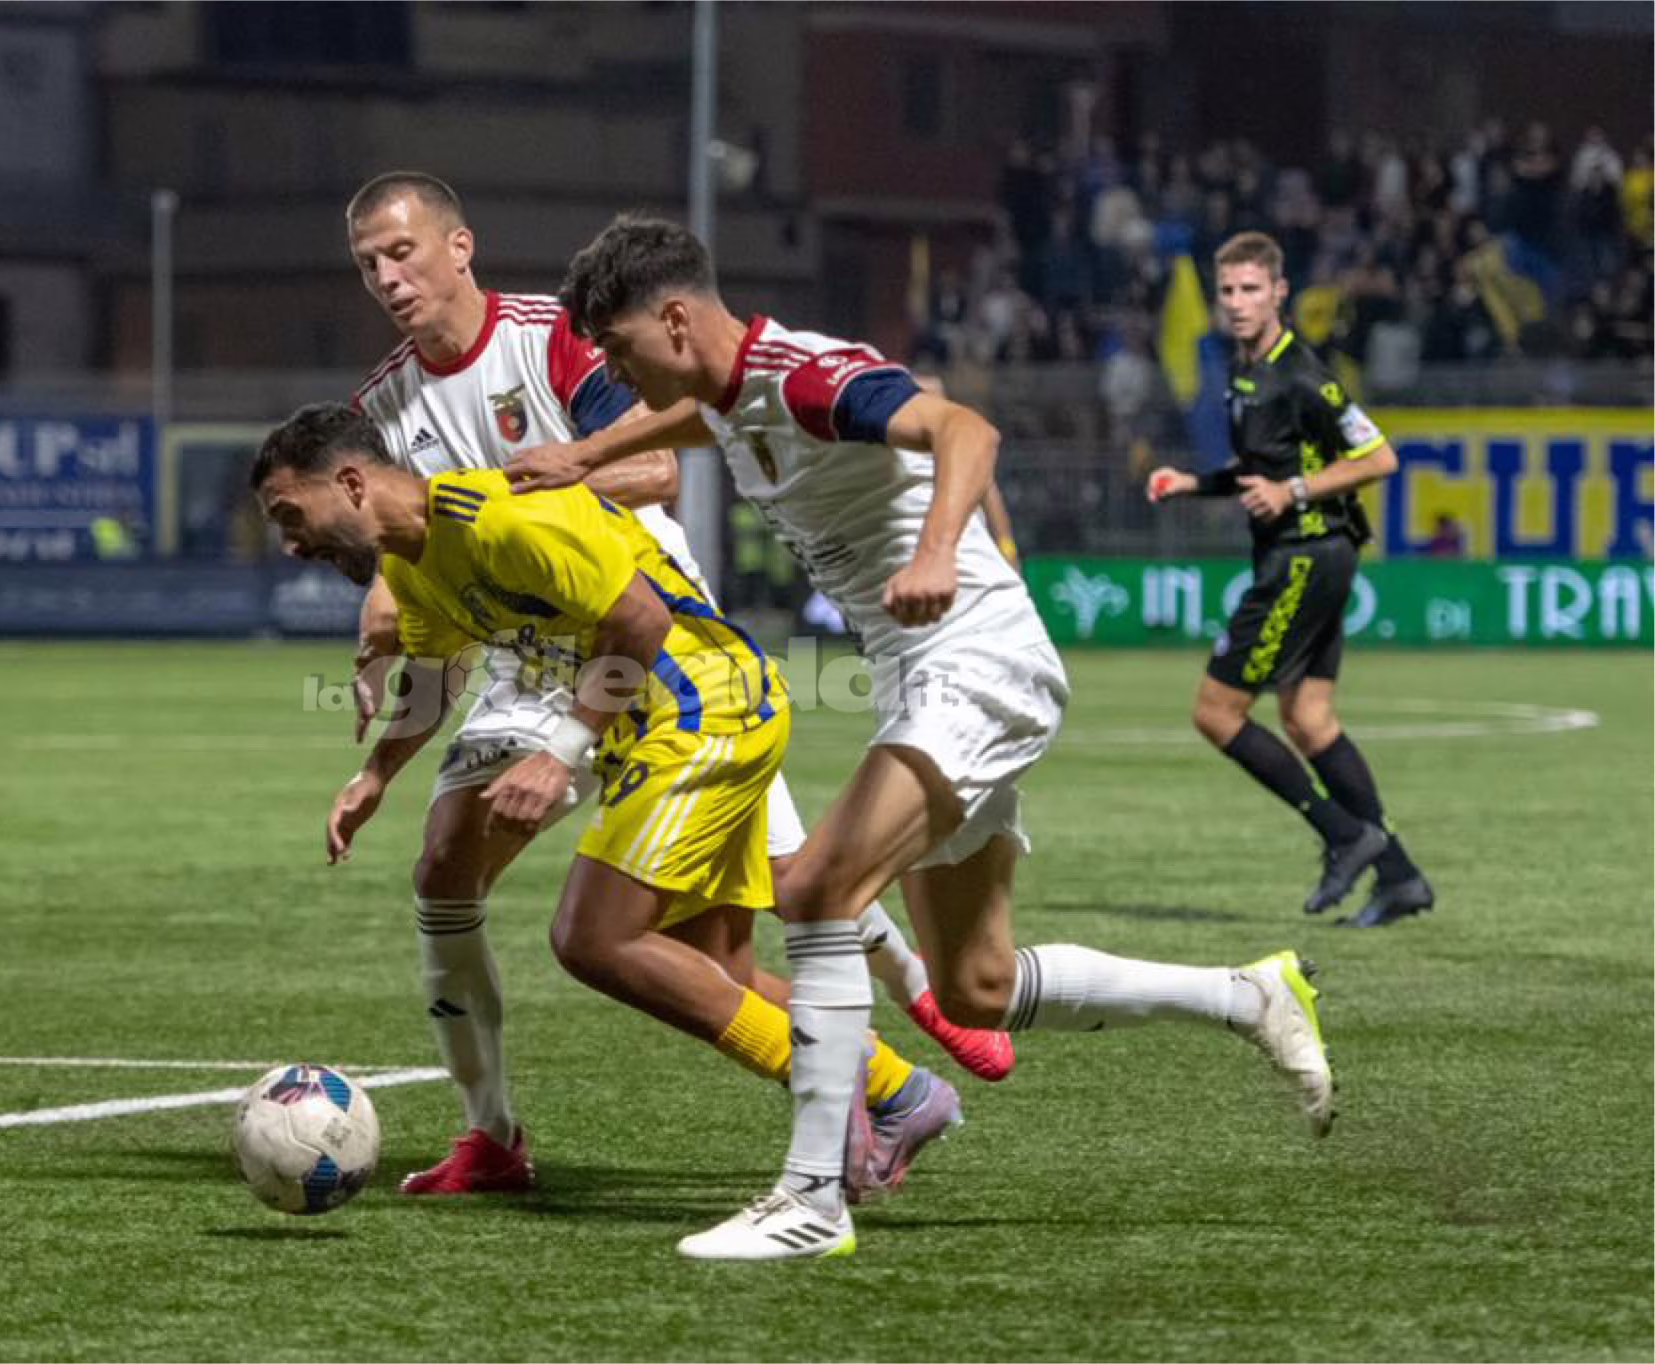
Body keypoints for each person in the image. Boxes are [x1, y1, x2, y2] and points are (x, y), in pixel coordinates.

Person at [507, 215, 1338, 1261]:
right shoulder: (728, 391)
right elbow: (698, 420)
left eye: (620, 350)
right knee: (974, 985)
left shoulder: (805, 377)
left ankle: (812, 1199)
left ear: (675, 320)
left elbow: (966, 430)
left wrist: (940, 548)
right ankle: (1247, 995)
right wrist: (584, 453)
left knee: (817, 889)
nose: (618, 375)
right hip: (927, 676)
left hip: (973, 661)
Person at [337, 173, 1006, 1196]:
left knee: (776, 896)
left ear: (458, 247)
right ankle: (492, 1134)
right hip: (526, 659)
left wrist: (500, 502)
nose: (387, 278)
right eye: (368, 265)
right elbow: (398, 529)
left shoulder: (553, 339)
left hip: (649, 630)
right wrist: (385, 599)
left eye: (402, 253)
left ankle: (918, 997)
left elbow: (654, 474)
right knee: (443, 870)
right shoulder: (378, 407)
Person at [253, 405, 949, 1256]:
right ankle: (902, 1093)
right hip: (662, 728)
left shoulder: (500, 516)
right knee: (716, 968)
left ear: (351, 483)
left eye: (290, 515)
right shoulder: (417, 561)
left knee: (591, 938)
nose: (292, 545)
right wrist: (375, 777)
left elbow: (642, 622)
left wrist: (559, 753)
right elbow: (434, 675)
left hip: (704, 708)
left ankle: (828, 1095)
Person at [1146, 230, 1434, 929]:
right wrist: (1194, 483)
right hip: (1307, 553)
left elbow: (1379, 457)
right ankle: (1400, 877)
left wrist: (1294, 492)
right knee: (1308, 719)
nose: (1237, 302)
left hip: (1306, 555)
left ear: (1279, 292)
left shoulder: (1303, 374)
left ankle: (1343, 834)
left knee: (1216, 713)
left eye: (1251, 289)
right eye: (1227, 291)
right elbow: (1260, 473)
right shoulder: (1243, 369)